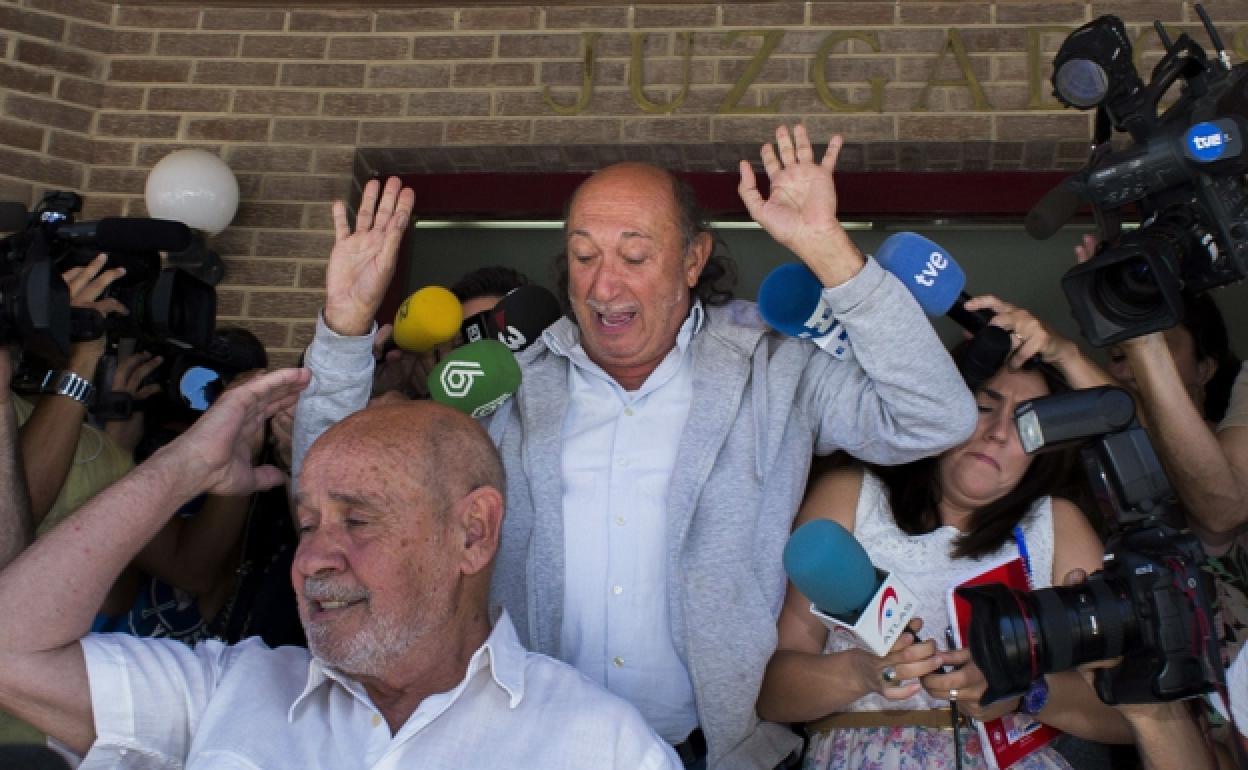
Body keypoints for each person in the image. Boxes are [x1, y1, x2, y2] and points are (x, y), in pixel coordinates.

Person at [293, 124, 978, 768]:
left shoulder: (774, 372)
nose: (602, 284)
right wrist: (346, 328)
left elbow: (933, 418)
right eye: (584, 255)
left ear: (692, 259)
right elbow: (329, 489)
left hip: (712, 751)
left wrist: (830, 251)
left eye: (634, 255)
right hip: (528, 746)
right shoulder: (509, 381)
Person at [0, 367, 681, 768]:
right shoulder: (224, 690)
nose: (314, 558)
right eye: (305, 524)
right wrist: (185, 468)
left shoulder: (602, 747)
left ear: (472, 534)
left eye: (359, 520)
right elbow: (12, 647)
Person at [758, 304, 1137, 769]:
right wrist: (861, 673)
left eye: (1026, 424)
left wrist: (1024, 690)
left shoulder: (1058, 522)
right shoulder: (851, 495)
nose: (998, 433)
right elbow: (771, 693)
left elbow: (1131, 716)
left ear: (1046, 452)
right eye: (983, 407)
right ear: (942, 405)